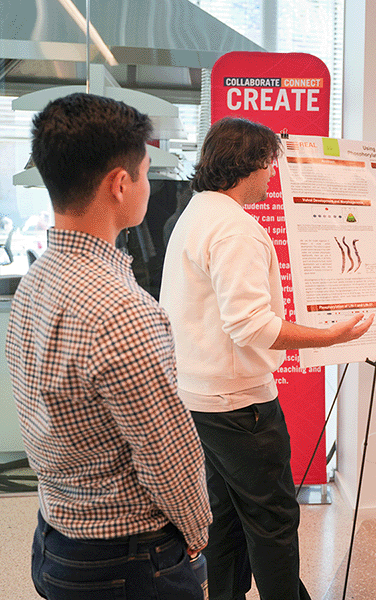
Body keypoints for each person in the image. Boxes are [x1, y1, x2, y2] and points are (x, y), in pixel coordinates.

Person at [5, 92, 212, 599]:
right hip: (129, 559)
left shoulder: (35, 281)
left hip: (57, 535)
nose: (148, 184)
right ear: (120, 184)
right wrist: (197, 532)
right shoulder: (124, 311)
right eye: (144, 172)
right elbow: (168, 456)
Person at [160, 117, 374, 600]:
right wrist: (330, 337)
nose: (272, 176)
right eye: (269, 165)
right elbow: (251, 324)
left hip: (201, 398)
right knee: (274, 522)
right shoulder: (236, 230)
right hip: (240, 406)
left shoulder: (195, 214)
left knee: (229, 518)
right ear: (249, 165)